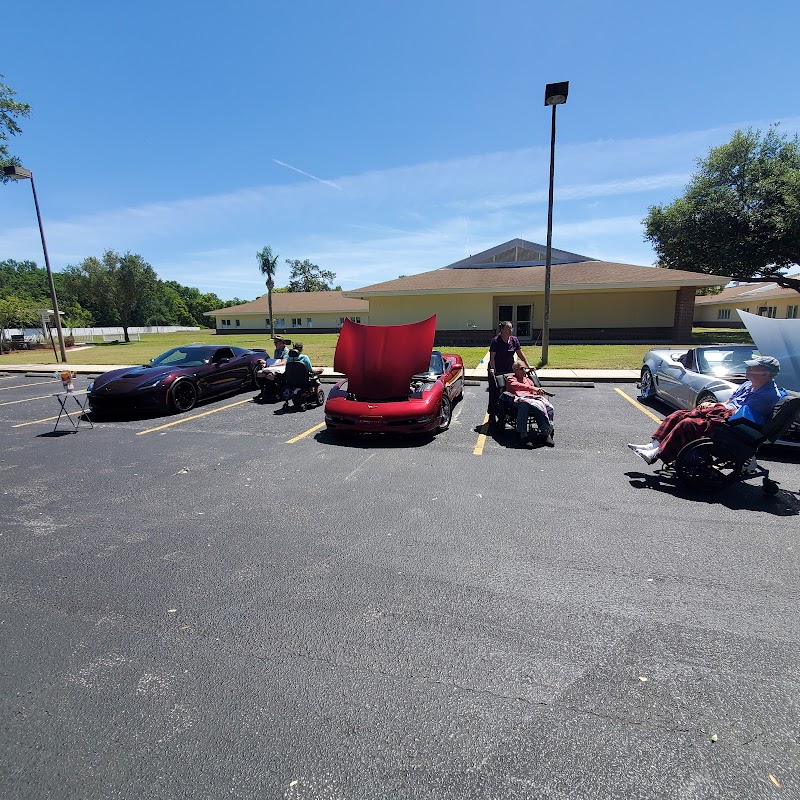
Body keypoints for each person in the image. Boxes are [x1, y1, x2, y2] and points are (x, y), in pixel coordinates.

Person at [627, 355, 785, 465]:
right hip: (727, 416)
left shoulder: (768, 395)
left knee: (688, 423)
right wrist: (715, 405)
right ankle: (653, 445)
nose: (748, 368)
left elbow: (741, 414)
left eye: (752, 367)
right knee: (678, 415)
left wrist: (718, 407)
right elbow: (730, 401)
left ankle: (658, 453)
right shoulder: (748, 384)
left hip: (736, 427)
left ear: (765, 373)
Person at [487, 322, 531, 425]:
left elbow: (520, 354)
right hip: (496, 369)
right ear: (502, 329)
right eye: (508, 329)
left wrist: (527, 366)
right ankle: (492, 415)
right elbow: (492, 357)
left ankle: (507, 413)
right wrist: (493, 369)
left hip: (509, 369)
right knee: (494, 392)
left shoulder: (514, 340)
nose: (511, 331)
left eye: (511, 329)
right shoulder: (496, 341)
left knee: (509, 390)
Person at [502, 361, 555, 446]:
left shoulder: (528, 380)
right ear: (515, 370)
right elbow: (516, 385)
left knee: (539, 406)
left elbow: (533, 393)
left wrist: (537, 393)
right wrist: (533, 388)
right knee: (524, 405)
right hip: (517, 401)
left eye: (525, 368)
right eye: (522, 368)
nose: (524, 370)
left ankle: (545, 433)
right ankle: (523, 434)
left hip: (531, 400)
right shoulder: (511, 379)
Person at [255, 334, 291, 400]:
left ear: (281, 342)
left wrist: (272, 365)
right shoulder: (276, 351)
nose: (275, 344)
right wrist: (265, 362)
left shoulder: (286, 351)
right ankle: (263, 392)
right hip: (275, 368)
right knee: (260, 373)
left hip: (282, 370)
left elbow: (283, 363)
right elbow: (275, 361)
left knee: (270, 375)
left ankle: (270, 394)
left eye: (276, 342)